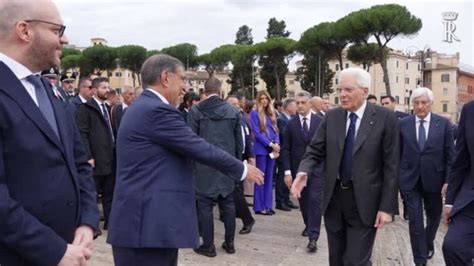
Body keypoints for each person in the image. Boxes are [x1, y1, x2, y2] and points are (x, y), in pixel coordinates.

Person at [107, 54, 264, 266]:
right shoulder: (156, 110)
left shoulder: (145, 106)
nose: (185, 87)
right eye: (182, 79)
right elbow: (199, 147)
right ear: (165, 78)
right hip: (146, 228)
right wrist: (242, 169)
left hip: (148, 225)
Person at [0, 0, 99, 265]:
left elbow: (78, 162)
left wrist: (87, 221)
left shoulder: (48, 90)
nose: (65, 39)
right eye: (57, 30)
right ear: (24, 30)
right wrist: (52, 250)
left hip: (69, 248)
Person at [291, 68, 399, 265]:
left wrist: (387, 207)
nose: (342, 94)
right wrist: (303, 171)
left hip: (365, 203)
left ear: (365, 91)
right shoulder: (332, 117)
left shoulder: (385, 118)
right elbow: (315, 149)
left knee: (355, 261)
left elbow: (391, 166)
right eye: (340, 89)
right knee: (337, 260)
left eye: (348, 89)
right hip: (334, 201)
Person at [188, 78, 243, 257]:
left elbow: (190, 141)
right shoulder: (233, 111)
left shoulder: (196, 110)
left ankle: (208, 246)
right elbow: (239, 144)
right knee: (228, 204)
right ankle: (230, 243)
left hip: (204, 165)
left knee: (205, 206)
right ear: (220, 91)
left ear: (204, 91)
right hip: (226, 164)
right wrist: (236, 165)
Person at [399, 87, 454, 265]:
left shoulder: (443, 124)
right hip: (410, 181)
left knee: (433, 217)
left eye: (424, 103)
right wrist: (400, 177)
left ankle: (428, 241)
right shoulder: (403, 124)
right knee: (414, 221)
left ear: (431, 104)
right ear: (412, 104)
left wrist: (448, 180)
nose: (420, 106)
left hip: (435, 181)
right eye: (417, 103)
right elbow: (397, 153)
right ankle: (419, 259)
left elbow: (450, 155)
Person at [282, 91, 323, 253]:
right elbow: (285, 149)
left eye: (303, 102)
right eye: (297, 103)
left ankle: (313, 237)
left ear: (310, 104)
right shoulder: (291, 124)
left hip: (318, 169)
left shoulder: (320, 122)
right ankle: (308, 224)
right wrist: (287, 172)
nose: (299, 105)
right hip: (298, 170)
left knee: (314, 199)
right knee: (304, 201)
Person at [75, 77, 116, 231]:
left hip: (110, 157)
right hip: (95, 160)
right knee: (91, 194)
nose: (107, 90)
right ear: (95, 90)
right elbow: (82, 134)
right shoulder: (85, 109)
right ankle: (92, 224)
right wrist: (88, 156)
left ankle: (110, 222)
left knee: (110, 193)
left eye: (108, 87)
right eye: (104, 87)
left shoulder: (108, 108)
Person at [442, 100, 474, 265]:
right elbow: (461, 161)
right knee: (453, 246)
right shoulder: (470, 110)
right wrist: (450, 202)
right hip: (470, 200)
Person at [226, 95, 256, 235]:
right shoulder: (227, 119)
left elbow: (247, 137)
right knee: (234, 190)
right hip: (231, 158)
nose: (236, 106)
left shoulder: (242, 118)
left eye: (237, 103)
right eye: (233, 103)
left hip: (240, 158)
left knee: (235, 191)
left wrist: (249, 155)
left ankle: (247, 219)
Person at [250, 90, 280, 215]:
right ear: (258, 100)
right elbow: (257, 133)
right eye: (261, 98)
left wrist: (277, 144)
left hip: (272, 150)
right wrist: (270, 144)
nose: (264, 101)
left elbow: (276, 131)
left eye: (266, 98)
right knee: (261, 178)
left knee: (269, 178)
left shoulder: (272, 114)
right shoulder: (254, 114)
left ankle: (268, 205)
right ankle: (259, 206)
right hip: (262, 150)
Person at [380, 95, 410, 220]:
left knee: (404, 187)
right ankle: (389, 210)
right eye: (382, 103)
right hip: (386, 158)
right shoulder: (378, 118)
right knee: (389, 186)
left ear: (394, 103)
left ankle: (407, 210)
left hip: (403, 157)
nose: (384, 106)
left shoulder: (404, 118)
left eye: (386, 103)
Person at [275, 98, 298, 211]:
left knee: (289, 176)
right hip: (284, 151)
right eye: (295, 105)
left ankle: (286, 199)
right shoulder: (281, 119)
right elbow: (284, 135)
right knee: (282, 177)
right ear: (288, 107)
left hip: (291, 152)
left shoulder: (291, 119)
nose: (296, 108)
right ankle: (280, 201)